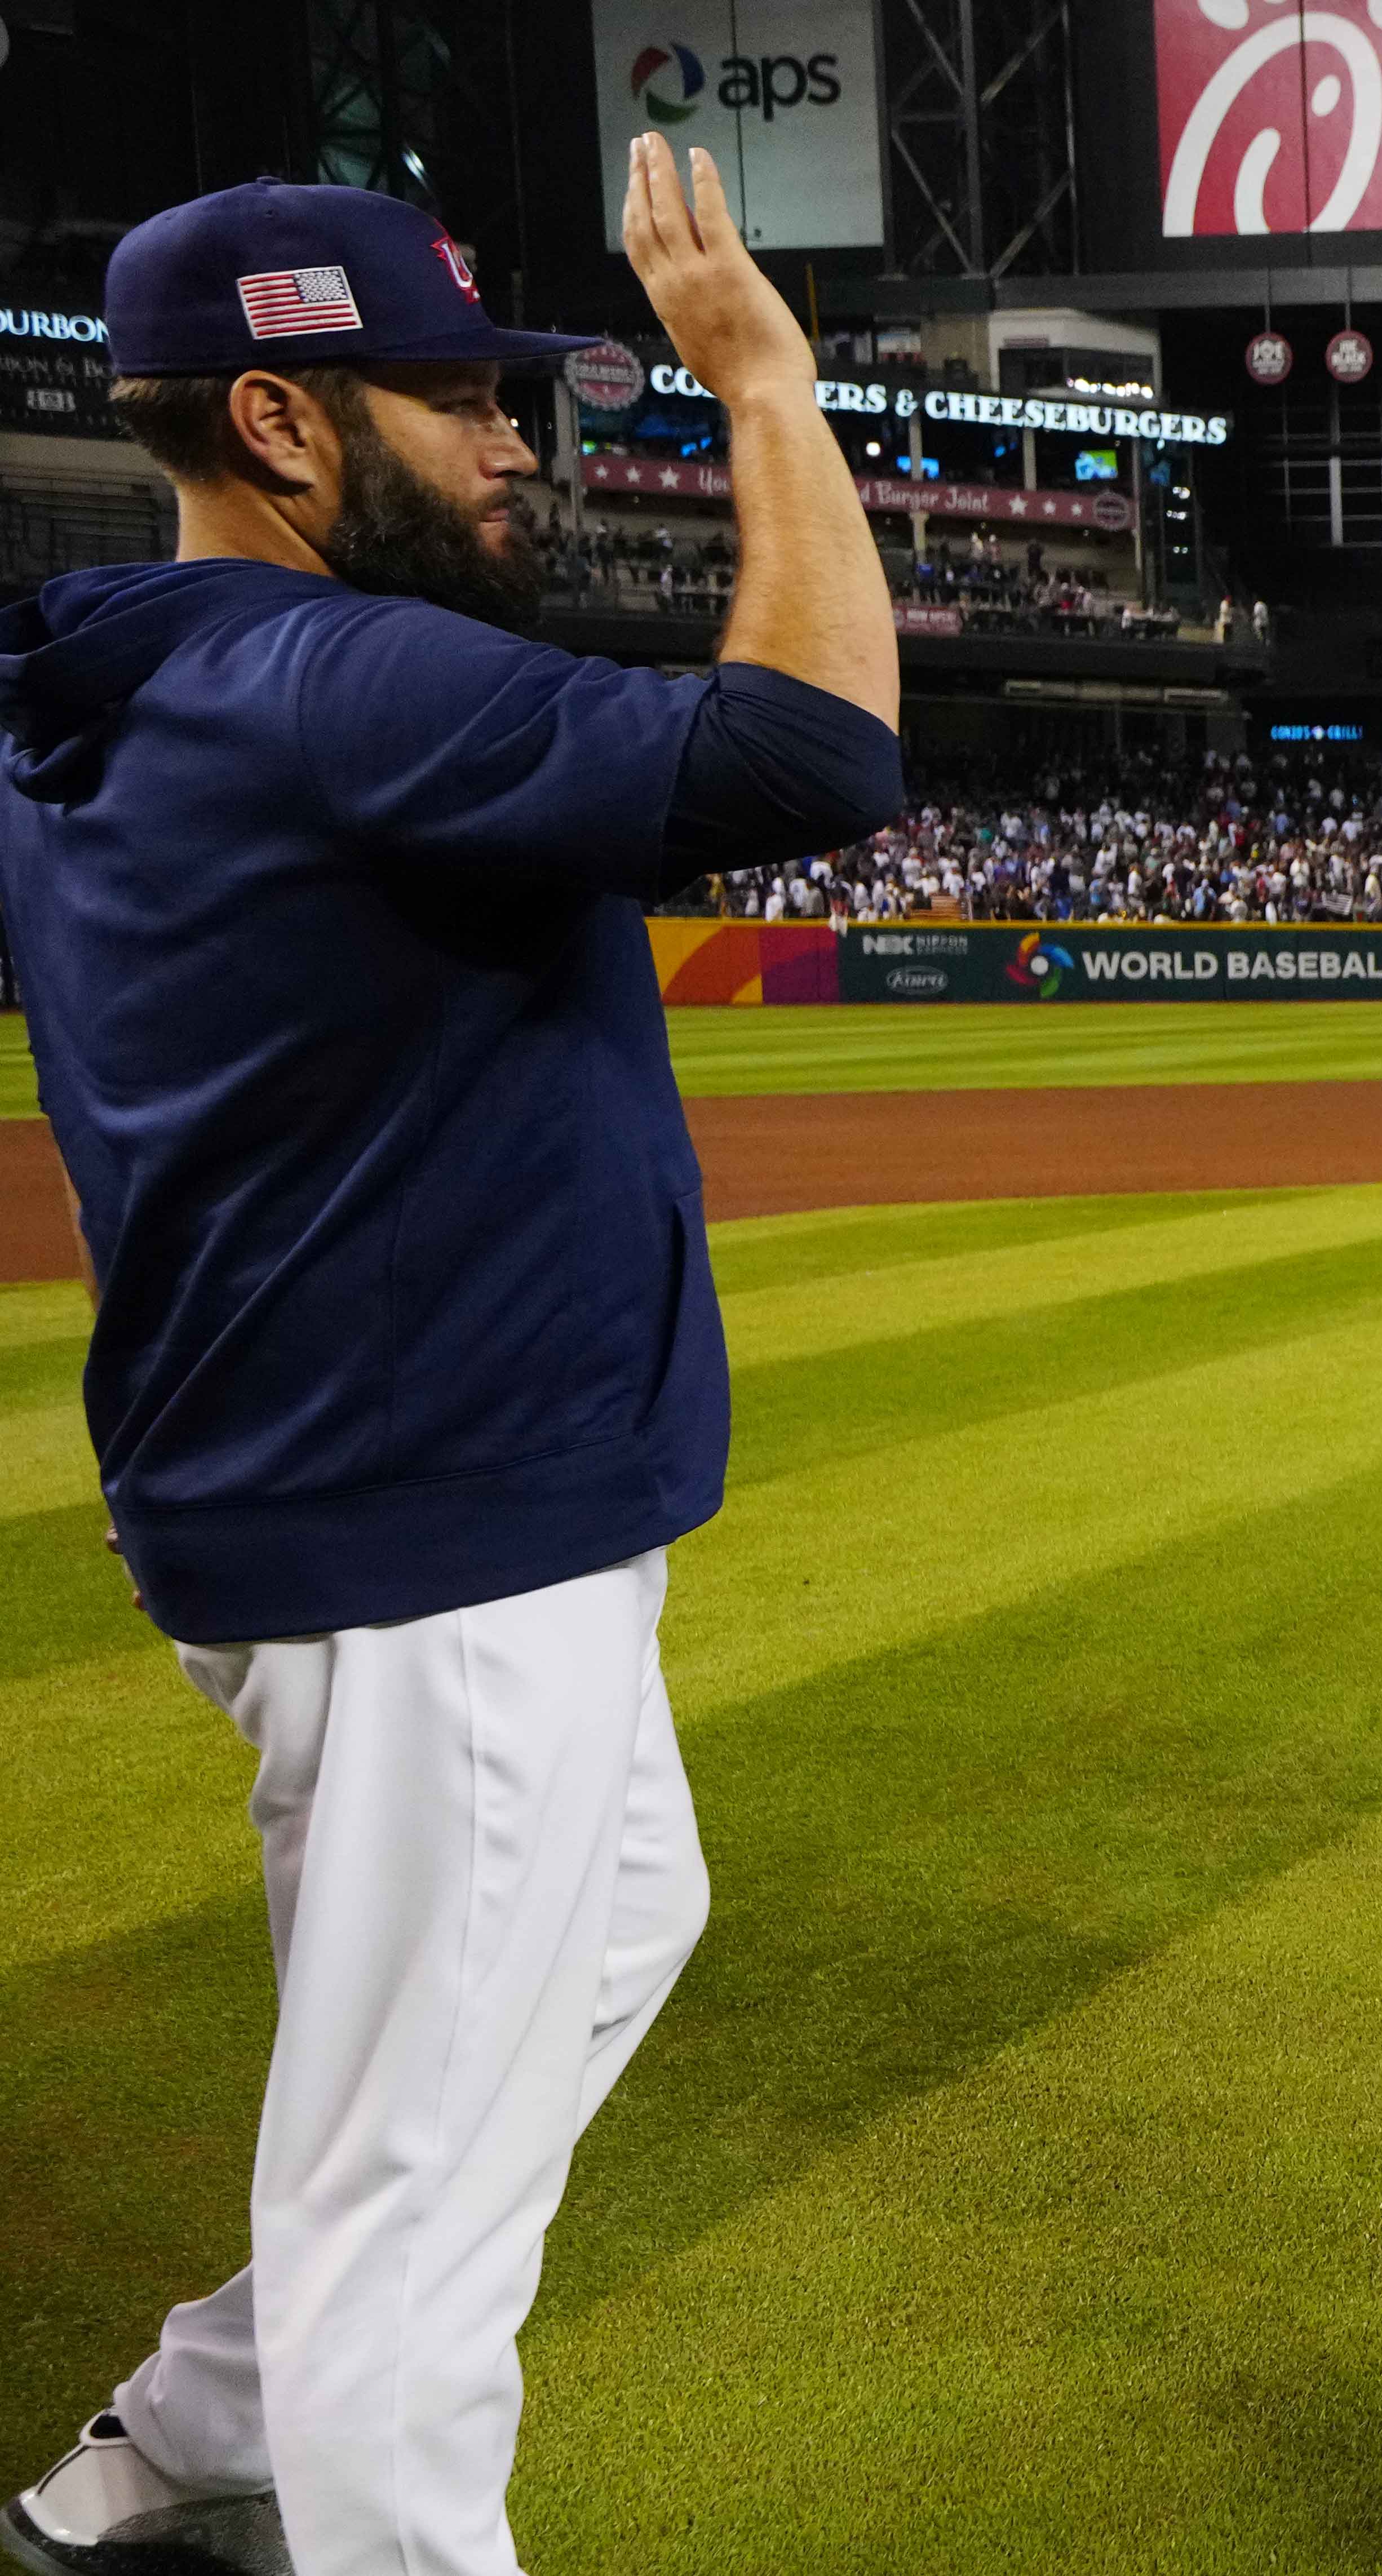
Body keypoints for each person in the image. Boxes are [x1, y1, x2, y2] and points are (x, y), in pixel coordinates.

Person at [0, 150, 901, 2576]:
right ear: (287, 427)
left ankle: (195, 2422)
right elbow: (821, 755)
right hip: (429, 1532)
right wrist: (764, 383)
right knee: (408, 2199)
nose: (518, 439)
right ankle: (303, 2485)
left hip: (324, 1491)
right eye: (456, 395)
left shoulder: (117, 680)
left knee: (613, 1926)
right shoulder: (334, 673)